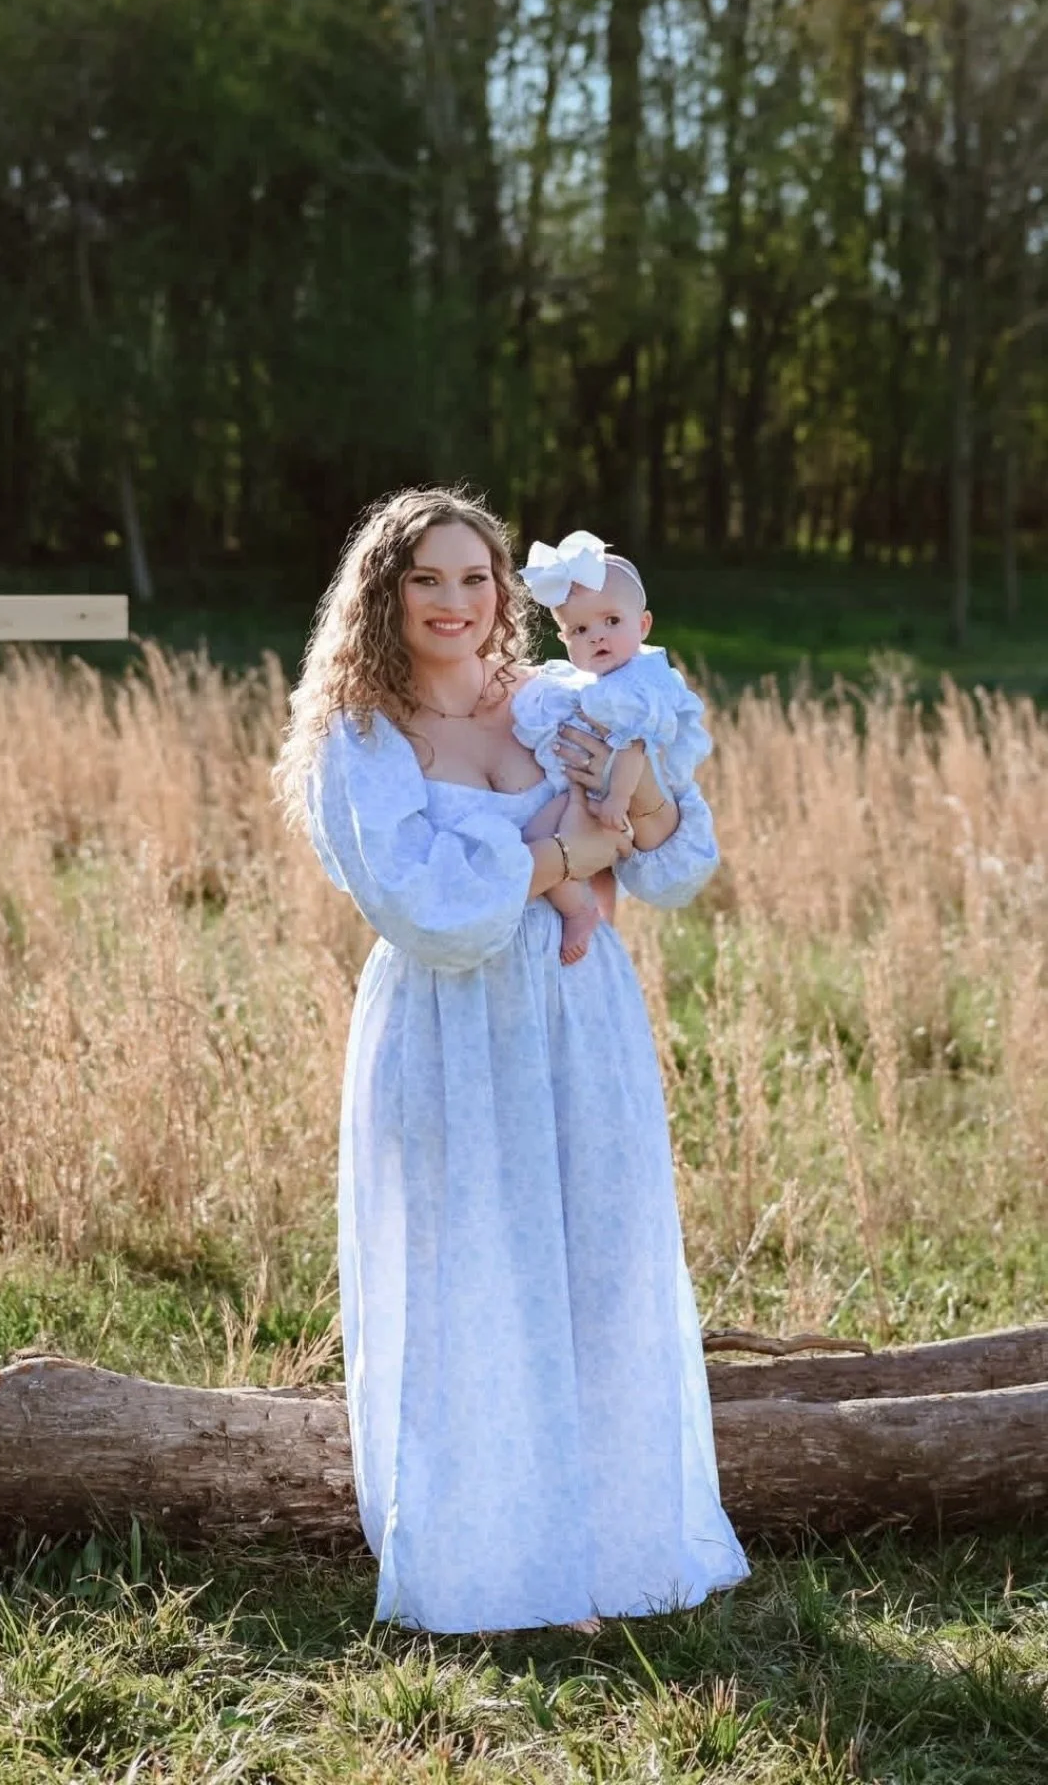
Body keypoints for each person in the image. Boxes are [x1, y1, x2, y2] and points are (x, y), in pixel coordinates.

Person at [273, 487, 749, 1635]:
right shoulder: (362, 737)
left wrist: (634, 806)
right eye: (426, 579)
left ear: (508, 595)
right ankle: (499, 1565)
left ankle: (616, 1554)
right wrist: (565, 854)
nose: (453, 601)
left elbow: (676, 862)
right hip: (449, 1029)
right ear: (383, 596)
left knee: (603, 1261)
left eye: (474, 578)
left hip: (581, 1019)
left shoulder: (550, 702)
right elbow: (427, 907)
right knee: (474, 1281)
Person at [511, 530, 713, 966]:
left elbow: (634, 750)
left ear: (643, 626)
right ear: (564, 641)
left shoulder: (636, 686)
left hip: (613, 797)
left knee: (543, 837)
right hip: (597, 793)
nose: (597, 636)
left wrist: (617, 798)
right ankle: (588, 911)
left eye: (612, 622)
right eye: (580, 629)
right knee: (542, 839)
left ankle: (581, 912)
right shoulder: (596, 683)